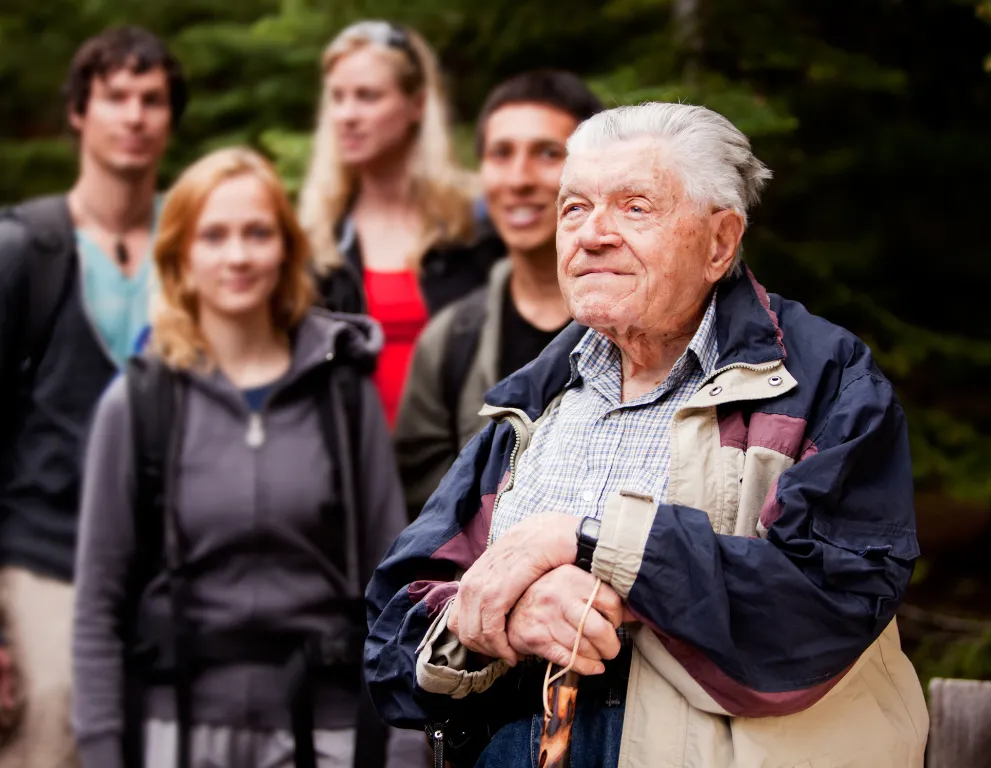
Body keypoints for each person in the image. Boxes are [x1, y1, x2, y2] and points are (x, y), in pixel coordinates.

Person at [365, 103, 929, 767]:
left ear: (719, 242)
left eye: (634, 207)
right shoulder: (535, 400)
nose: (592, 234)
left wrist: (590, 540)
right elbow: (393, 634)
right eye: (574, 208)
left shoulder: (822, 380)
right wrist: (498, 625)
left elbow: (829, 604)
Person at [72, 147, 406, 768]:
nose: (238, 256)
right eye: (214, 236)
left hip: (325, 729)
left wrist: (403, 742)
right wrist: (99, 747)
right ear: (179, 256)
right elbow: (99, 603)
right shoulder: (139, 403)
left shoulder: (341, 393)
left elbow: (392, 581)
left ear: (285, 250)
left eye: (257, 233)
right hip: (178, 726)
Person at [0, 26, 185, 766]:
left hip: (172, 575)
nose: (134, 116)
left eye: (153, 99)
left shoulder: (199, 246)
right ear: (80, 112)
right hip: (46, 564)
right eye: (115, 98)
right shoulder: (23, 250)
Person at [394, 70, 603, 519]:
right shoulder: (451, 340)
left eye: (549, 154)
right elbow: (424, 509)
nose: (519, 178)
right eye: (500, 153)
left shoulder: (650, 327)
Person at [298, 20, 504, 427]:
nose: (347, 115)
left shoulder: (476, 223)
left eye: (367, 96)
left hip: (460, 466)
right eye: (337, 98)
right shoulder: (317, 236)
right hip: (355, 470)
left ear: (416, 105)